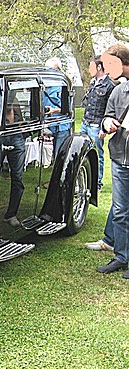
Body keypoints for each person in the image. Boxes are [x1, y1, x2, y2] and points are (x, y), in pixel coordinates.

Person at [96, 43, 129, 279]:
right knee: (120, 211)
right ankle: (121, 257)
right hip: (119, 159)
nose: (107, 70)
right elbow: (107, 116)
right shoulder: (118, 91)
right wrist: (107, 123)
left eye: (110, 64)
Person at [80, 55, 116, 189]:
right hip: (85, 123)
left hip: (96, 126)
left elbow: (110, 109)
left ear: (99, 67)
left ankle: (97, 183)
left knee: (98, 154)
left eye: (91, 66)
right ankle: (85, 179)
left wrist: (103, 128)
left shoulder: (109, 85)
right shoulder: (92, 82)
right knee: (83, 152)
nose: (89, 70)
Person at [0, 104, 26, 227]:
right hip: (0, 134)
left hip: (16, 136)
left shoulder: (16, 102)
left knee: (17, 178)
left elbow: (22, 122)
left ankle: (11, 214)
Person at [43, 57, 72, 160]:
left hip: (61, 126)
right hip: (47, 124)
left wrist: (54, 110)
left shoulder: (63, 85)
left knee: (59, 155)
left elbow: (67, 109)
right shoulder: (43, 84)